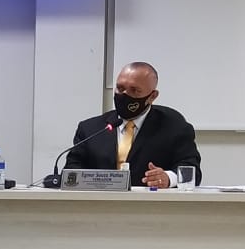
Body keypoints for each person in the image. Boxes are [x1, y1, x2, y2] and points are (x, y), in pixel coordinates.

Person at [64, 62, 201, 188]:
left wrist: (168, 178)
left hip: (150, 204)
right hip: (99, 203)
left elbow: (192, 171)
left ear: (152, 96)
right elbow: (71, 170)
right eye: (120, 88)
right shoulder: (90, 129)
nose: (124, 95)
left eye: (134, 90)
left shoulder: (175, 128)